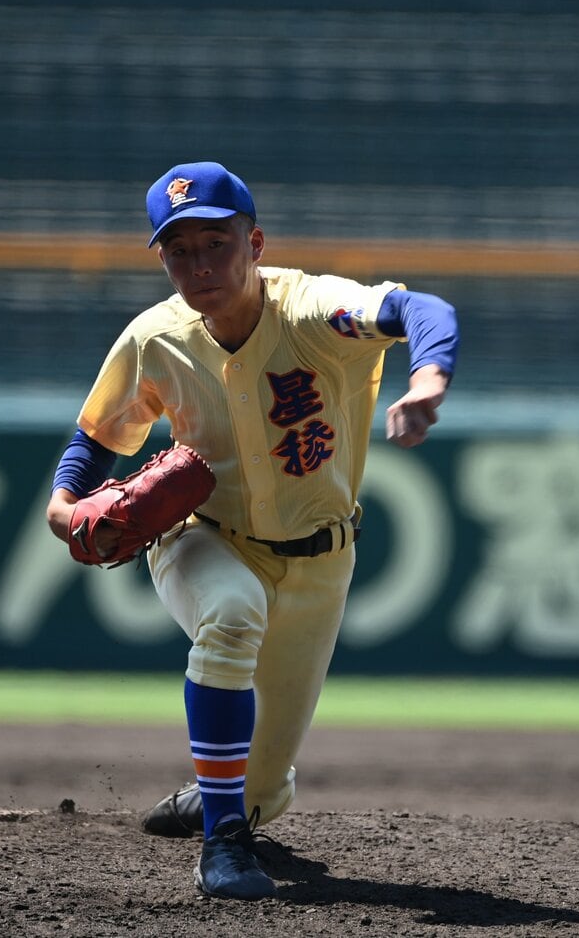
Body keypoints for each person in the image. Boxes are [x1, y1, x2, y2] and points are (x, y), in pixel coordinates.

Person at [45, 161, 458, 900]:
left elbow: (422, 309)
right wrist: (62, 507)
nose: (198, 265)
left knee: (265, 790)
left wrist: (427, 379)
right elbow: (94, 445)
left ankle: (224, 799)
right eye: (178, 250)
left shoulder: (313, 312)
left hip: (321, 561)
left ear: (255, 242)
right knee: (231, 617)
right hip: (204, 540)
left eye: (216, 243)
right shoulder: (154, 339)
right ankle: (225, 843)